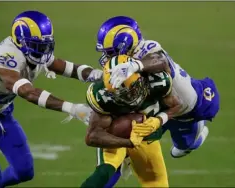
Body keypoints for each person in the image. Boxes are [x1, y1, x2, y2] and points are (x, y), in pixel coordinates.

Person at [0, 10, 102, 188]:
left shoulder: (32, 51)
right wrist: (71, 108)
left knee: (25, 171)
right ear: (20, 41)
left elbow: (66, 67)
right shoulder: (5, 58)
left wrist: (97, 75)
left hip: (2, 114)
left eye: (45, 45)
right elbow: (29, 93)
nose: (43, 51)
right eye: (37, 45)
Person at [94, 16, 220, 187]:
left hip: (185, 110)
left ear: (125, 45)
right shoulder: (125, 62)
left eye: (110, 52)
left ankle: (194, 138)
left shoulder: (146, 49)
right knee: (121, 146)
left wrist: (135, 65)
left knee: (183, 147)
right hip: (156, 108)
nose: (106, 57)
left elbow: (159, 62)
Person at [81, 54, 181, 187]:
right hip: (115, 135)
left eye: (132, 90)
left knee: (156, 183)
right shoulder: (102, 96)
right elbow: (92, 136)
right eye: (123, 94)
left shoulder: (157, 81)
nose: (130, 97)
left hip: (146, 135)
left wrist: (158, 120)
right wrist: (127, 142)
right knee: (103, 173)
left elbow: (177, 105)